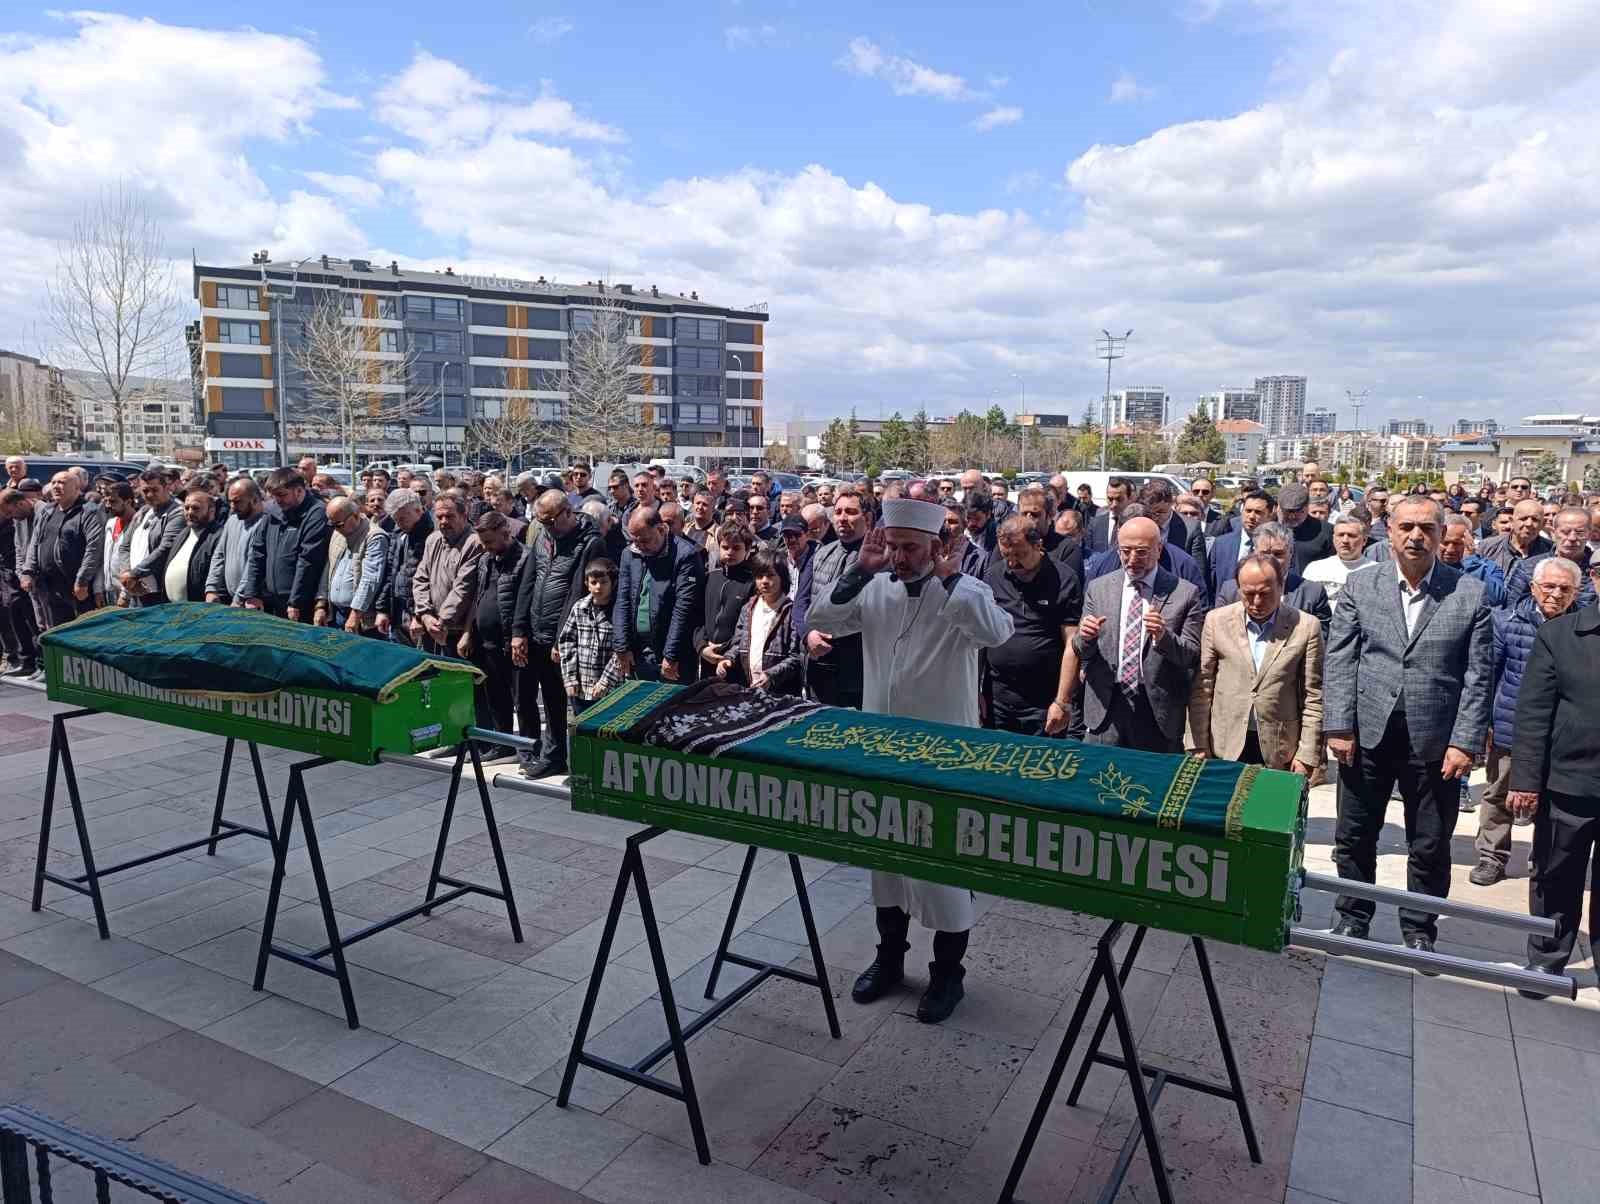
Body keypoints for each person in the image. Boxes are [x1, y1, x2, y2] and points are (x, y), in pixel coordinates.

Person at [809, 497, 1014, 1024]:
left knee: (945, 868)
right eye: (894, 547)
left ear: (936, 548)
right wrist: (860, 570)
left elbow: (996, 632)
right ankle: (889, 961)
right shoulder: (876, 586)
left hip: (944, 756)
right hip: (882, 750)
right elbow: (822, 618)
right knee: (886, 861)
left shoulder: (966, 592)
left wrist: (951, 581)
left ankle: (949, 975)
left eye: (910, 549)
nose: (899, 558)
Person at [1323, 497, 1493, 954]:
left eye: (1427, 528)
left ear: (1442, 535)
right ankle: (1353, 916)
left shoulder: (1468, 593)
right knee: (1355, 833)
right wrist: (1338, 725)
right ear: (1389, 532)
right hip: (1368, 733)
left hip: (1436, 742)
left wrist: (1465, 742)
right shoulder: (1362, 586)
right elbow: (1340, 658)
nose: (1416, 536)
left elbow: (1479, 675)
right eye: (1407, 527)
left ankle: (1419, 927)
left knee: (1430, 842)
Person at [1508, 558, 1600, 989]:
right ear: (1596, 579)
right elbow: (1532, 714)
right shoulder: (1561, 634)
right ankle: (1547, 957)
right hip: (1569, 780)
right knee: (1556, 874)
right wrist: (1525, 780)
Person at [1470, 556, 1581, 888]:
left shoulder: (1582, 628)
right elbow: (1488, 676)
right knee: (1499, 794)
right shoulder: (1506, 622)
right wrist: (1484, 724)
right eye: (1549, 586)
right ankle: (1492, 856)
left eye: (1565, 588)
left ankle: (1543, 860)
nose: (1556, 594)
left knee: (1552, 802)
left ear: (1576, 592)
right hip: (1510, 726)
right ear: (1534, 587)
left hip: (1563, 733)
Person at [1051, 516, 1206, 752]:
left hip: (1156, 712)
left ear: (1159, 549)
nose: (1132, 559)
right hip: (1106, 706)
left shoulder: (1184, 593)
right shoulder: (1099, 588)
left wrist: (1164, 637)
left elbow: (1191, 656)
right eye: (1125, 551)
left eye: (1142, 552)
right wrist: (1086, 636)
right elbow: (1081, 650)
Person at [1189, 554, 1323, 770]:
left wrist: (1306, 753)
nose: (1257, 602)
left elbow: (1313, 696)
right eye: (1248, 594)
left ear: (1281, 587)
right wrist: (1197, 742)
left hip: (1279, 748)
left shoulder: (1306, 627)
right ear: (1239, 589)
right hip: (1225, 744)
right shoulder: (1216, 621)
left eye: (1265, 594)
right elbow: (1203, 686)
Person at [514, 488, 604, 778]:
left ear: (568, 512)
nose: (547, 527)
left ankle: (586, 764)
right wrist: (519, 630)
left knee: (578, 703)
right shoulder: (542, 537)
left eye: (551, 521)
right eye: (542, 522)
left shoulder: (589, 543)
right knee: (550, 700)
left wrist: (560, 638)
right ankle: (553, 757)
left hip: (569, 638)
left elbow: (577, 593)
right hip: (537, 631)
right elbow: (528, 583)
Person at [982, 516, 1081, 736]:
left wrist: (1062, 702)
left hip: (1043, 703)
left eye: (1020, 555)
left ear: (1038, 546)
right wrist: (976, 691)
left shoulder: (1064, 580)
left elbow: (1072, 644)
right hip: (998, 700)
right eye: (1006, 555)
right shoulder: (993, 577)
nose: (1012, 564)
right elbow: (981, 636)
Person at [458, 512, 536, 764]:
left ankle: (527, 750)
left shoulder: (525, 559)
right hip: (487, 642)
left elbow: (526, 602)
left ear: (506, 533)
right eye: (483, 543)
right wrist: (469, 633)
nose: (486, 547)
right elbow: (478, 598)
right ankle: (503, 744)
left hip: (513, 643)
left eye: (490, 542)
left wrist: (518, 634)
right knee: (495, 697)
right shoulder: (485, 560)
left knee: (522, 700)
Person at [795, 487, 872, 708]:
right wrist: (807, 634)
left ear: (866, 517)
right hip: (817, 665)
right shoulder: (820, 553)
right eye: (838, 512)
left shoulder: (878, 558)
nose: (842, 518)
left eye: (850, 512)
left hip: (856, 669)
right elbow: (800, 603)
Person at [613, 505, 703, 684]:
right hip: (638, 651)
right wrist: (622, 646)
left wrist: (670, 655)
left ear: (661, 529)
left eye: (644, 541)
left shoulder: (686, 556)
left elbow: (683, 609)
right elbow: (623, 600)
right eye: (634, 540)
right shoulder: (631, 553)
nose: (639, 546)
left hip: (671, 654)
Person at [1212, 522, 1333, 637]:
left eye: (1278, 554)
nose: (1271, 560)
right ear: (1254, 552)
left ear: (1291, 553)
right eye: (1265, 554)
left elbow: (1319, 640)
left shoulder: (1312, 593)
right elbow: (1219, 632)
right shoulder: (1231, 590)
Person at [242, 467, 331, 620]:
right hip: (271, 601)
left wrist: (296, 602)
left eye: (282, 495)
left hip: (301, 605)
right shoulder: (272, 512)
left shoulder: (316, 514)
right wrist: (251, 593)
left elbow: (308, 561)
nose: (277, 500)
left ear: (298, 491)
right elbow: (257, 553)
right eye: (274, 496)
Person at [19, 469, 104, 626]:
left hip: (78, 588)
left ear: (77, 487)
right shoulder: (47, 511)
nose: (56, 486)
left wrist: (82, 580)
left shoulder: (89, 511)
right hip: (50, 586)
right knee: (57, 631)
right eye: (53, 482)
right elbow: (35, 542)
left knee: (83, 631)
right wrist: (28, 571)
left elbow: (94, 549)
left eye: (62, 482)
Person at [720, 550, 803, 695]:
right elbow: (738, 644)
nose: (764, 581)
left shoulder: (792, 611)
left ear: (782, 577)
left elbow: (795, 657)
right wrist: (728, 659)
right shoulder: (748, 608)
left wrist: (771, 675)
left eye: (770, 575)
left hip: (781, 693)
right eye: (759, 576)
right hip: (748, 688)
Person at [410, 494, 482, 655]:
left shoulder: (474, 543)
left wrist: (442, 621)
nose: (443, 521)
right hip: (430, 626)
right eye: (439, 517)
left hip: (455, 631)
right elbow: (420, 579)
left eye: (449, 516)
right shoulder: (433, 539)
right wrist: (425, 615)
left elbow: (464, 588)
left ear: (464, 516)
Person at [558, 557, 627, 714]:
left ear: (613, 583)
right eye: (594, 582)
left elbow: (622, 649)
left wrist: (606, 681)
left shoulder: (620, 610)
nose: (598, 587)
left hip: (611, 688)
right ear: (586, 584)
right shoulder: (579, 608)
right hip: (581, 686)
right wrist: (570, 678)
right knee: (582, 730)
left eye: (604, 582)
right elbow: (567, 642)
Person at [315, 495, 390, 633]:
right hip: (336, 614)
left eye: (339, 524)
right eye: (332, 524)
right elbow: (329, 569)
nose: (336, 529)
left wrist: (355, 615)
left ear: (355, 516)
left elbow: (370, 579)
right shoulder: (338, 532)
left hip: (361, 618)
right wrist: (321, 605)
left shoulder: (374, 537)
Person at [695, 521, 755, 681]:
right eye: (725, 547)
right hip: (707, 654)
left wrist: (726, 650)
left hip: (736, 660)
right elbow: (697, 617)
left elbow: (748, 628)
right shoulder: (710, 578)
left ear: (747, 550)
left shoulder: (752, 583)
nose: (730, 552)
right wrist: (702, 646)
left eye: (736, 548)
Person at [116, 470, 186, 606]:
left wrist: (134, 574)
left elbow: (165, 549)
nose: (150, 495)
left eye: (155, 490)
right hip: (135, 588)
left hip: (158, 593)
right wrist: (126, 573)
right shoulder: (143, 512)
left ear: (167, 488)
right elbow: (124, 546)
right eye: (145, 490)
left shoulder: (177, 513)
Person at [1504, 507, 1595, 609]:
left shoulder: (1596, 570)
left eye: (1579, 533)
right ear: (1554, 532)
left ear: (1589, 533)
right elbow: (1511, 605)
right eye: (1565, 532)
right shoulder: (1528, 567)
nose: (1572, 538)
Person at [377, 488, 431, 642]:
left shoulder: (431, 536)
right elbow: (390, 573)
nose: (399, 524)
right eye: (396, 520)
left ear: (417, 511)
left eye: (402, 519)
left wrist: (418, 616)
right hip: (397, 611)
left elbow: (427, 582)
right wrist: (383, 609)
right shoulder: (398, 534)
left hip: (417, 617)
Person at [205, 476, 267, 606]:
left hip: (252, 602)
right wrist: (211, 588)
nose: (232, 507)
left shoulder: (265, 524)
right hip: (232, 598)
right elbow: (219, 555)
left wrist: (239, 599)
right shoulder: (232, 520)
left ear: (255, 500)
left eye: (237, 502)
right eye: (230, 502)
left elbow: (253, 564)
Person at [160, 486, 226, 604]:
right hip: (174, 609)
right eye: (186, 508)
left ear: (211, 511)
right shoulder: (183, 533)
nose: (189, 512)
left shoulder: (219, 536)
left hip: (200, 611)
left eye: (196, 508)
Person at [0, 489, 41, 676]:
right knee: (16, 615)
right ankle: (27, 661)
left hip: (34, 577)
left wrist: (26, 573)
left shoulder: (42, 512)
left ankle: (41, 663)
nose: (9, 517)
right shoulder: (17, 520)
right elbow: (19, 548)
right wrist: (19, 572)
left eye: (9, 512)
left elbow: (33, 548)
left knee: (35, 622)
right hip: (15, 575)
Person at [1206, 490, 1274, 598]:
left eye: (1258, 512)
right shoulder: (1221, 544)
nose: (1251, 516)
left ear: (1270, 515)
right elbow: (1210, 585)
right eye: (1248, 511)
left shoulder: (1276, 548)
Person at [1304, 512, 1379, 611]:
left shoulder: (1377, 572)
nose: (1345, 540)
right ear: (1334, 539)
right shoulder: (1315, 569)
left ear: (1364, 540)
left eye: (1351, 536)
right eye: (1340, 535)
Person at [1437, 514, 1506, 609]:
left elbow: (1495, 598)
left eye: (1457, 543)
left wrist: (1471, 563)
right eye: (1445, 543)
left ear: (1469, 541)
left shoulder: (1486, 567)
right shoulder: (1427, 565)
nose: (1450, 549)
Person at [1139, 479, 1207, 564]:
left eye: (1160, 511)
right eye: (1150, 512)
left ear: (1171, 503)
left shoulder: (1191, 528)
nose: (1155, 517)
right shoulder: (1137, 522)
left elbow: (1198, 569)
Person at [1276, 482, 1333, 573]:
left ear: (1307, 507)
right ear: (1278, 507)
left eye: (1298, 512)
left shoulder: (1326, 531)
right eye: (1287, 511)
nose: (1292, 517)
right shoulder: (1267, 531)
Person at [1084, 477, 1134, 554]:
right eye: (1110, 499)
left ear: (1130, 498)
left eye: (1119, 499)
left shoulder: (1136, 525)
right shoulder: (1095, 523)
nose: (1114, 504)